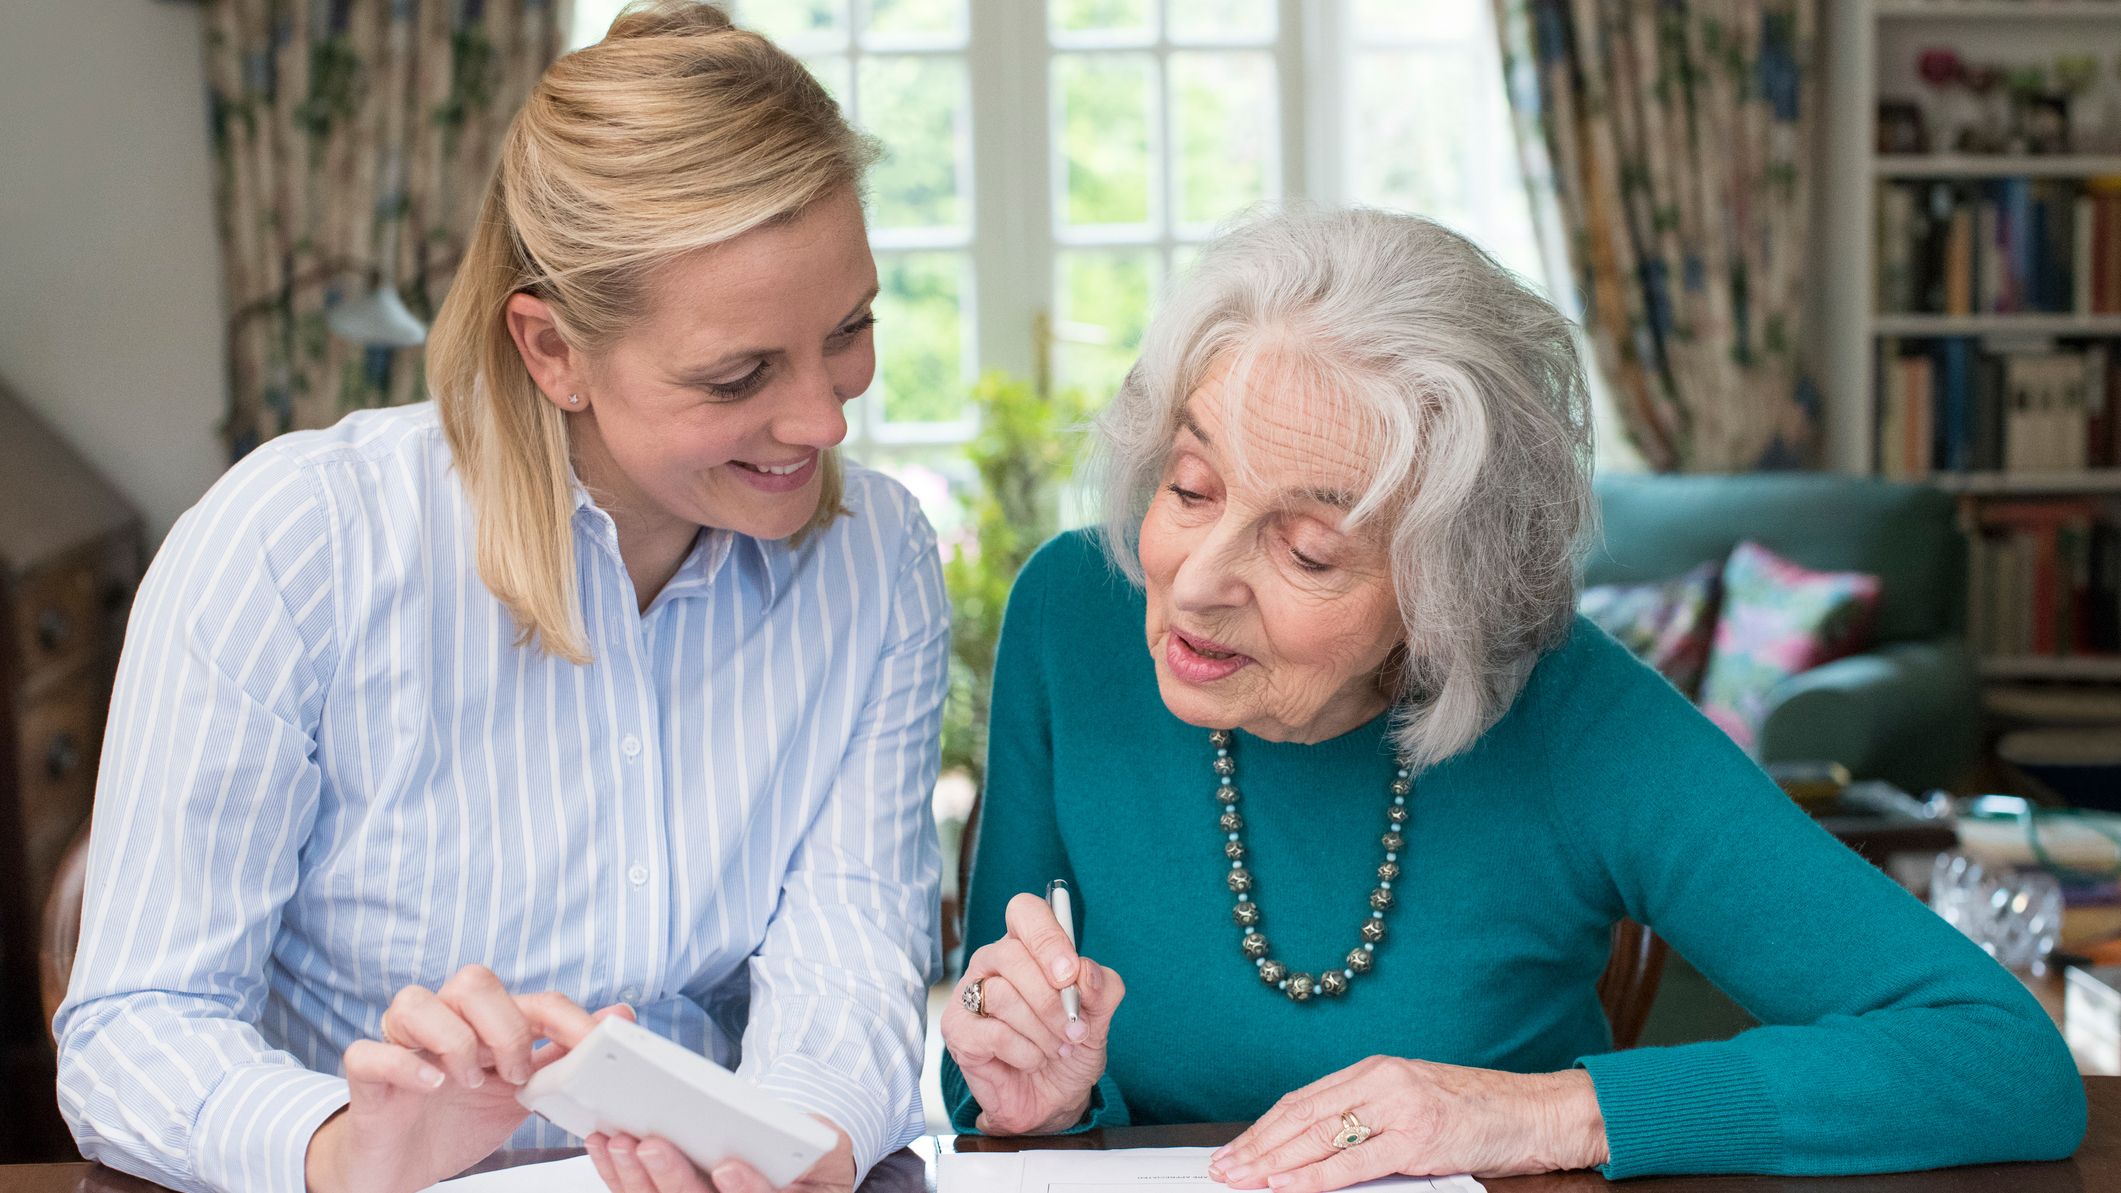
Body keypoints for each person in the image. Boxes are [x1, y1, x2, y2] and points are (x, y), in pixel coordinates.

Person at [940, 206, 2087, 1190]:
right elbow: (987, 1073)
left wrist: (1533, 1112)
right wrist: (1031, 1090)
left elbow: (1997, 1056)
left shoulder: (1576, 713)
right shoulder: (1076, 614)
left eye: (1308, 551)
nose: (1192, 581)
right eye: (1191, 486)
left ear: (1446, 590)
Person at [54, 6, 945, 1193]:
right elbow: (133, 1023)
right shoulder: (294, 547)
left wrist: (794, 1147)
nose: (826, 421)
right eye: (738, 375)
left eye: (850, 330)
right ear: (551, 350)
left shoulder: (875, 558)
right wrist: (341, 1147)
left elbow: (849, 954)